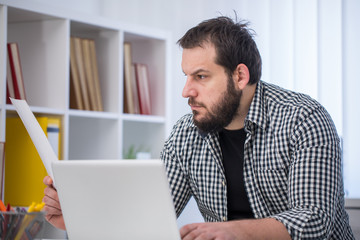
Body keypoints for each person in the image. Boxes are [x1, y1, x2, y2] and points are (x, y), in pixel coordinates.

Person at [43, 16, 355, 239]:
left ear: (240, 76)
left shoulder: (304, 119)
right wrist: (78, 218)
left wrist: (230, 231)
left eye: (201, 77)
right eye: (186, 76)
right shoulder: (186, 134)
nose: (186, 91)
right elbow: (148, 217)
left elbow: (314, 221)